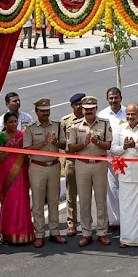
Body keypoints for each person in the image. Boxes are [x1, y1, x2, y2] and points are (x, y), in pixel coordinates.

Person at [68, 96, 113, 246]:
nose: (88, 112)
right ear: (82, 109)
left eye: (91, 109)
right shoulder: (75, 126)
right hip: (82, 164)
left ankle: (102, 232)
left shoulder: (105, 123)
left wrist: (97, 142)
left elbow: (108, 145)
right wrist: (84, 143)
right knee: (85, 200)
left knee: (101, 200)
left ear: (96, 109)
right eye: (86, 109)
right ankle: (86, 232)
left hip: (100, 164)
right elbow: (71, 148)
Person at [111, 103, 138, 248]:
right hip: (125, 175)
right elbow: (113, 149)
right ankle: (126, 238)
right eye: (128, 114)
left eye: (133, 114)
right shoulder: (120, 128)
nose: (130, 117)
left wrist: (135, 145)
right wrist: (124, 147)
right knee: (126, 209)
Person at [22, 98, 65, 248]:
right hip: (37, 167)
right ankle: (39, 234)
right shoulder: (30, 128)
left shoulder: (58, 126)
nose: (46, 113)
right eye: (42, 111)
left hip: (53, 165)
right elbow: (26, 150)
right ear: (36, 112)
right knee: (38, 202)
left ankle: (55, 232)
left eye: (47, 110)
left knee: (54, 200)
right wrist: (44, 143)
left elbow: (64, 145)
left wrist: (55, 143)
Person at [0, 112, 36, 245]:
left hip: (22, 174)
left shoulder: (23, 135)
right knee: (9, 202)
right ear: (5, 124)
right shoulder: (0, 138)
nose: (13, 124)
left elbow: (29, 153)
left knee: (22, 202)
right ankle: (8, 234)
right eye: (10, 122)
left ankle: (24, 233)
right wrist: (10, 149)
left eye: (15, 121)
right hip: (7, 176)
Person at [98, 87, 125, 230]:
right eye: (111, 98)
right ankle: (115, 220)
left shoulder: (128, 112)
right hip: (109, 158)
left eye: (116, 97)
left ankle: (128, 217)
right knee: (112, 189)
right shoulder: (102, 115)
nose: (114, 100)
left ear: (121, 98)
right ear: (107, 99)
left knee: (126, 188)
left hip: (127, 158)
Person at [59, 92, 85, 237]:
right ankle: (72, 224)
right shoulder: (65, 121)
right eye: (77, 104)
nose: (80, 106)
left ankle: (88, 224)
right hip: (72, 161)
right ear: (72, 106)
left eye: (82, 103)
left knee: (87, 194)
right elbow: (62, 142)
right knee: (71, 194)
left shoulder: (92, 118)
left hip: (88, 161)